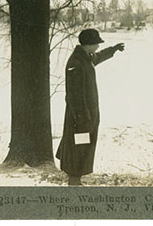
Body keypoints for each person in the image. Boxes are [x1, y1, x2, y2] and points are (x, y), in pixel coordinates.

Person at [55, 28, 124, 186]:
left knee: (82, 146)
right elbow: (74, 95)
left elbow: (98, 57)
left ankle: (76, 180)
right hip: (79, 118)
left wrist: (113, 49)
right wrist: (82, 118)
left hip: (86, 116)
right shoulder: (76, 63)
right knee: (78, 147)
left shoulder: (85, 58)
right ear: (89, 45)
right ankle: (73, 181)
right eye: (97, 44)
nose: (98, 47)